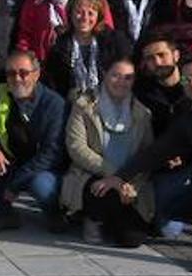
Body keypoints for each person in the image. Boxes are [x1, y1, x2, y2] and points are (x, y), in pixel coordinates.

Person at [92, 50, 192, 238]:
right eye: (186, 79)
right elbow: (157, 151)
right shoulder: (188, 113)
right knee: (163, 205)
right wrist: (120, 176)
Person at [60, 58, 154, 247]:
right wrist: (113, 175)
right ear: (105, 75)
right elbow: (76, 147)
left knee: (132, 240)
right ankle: (93, 219)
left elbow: (147, 154)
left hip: (129, 181)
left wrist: (129, 182)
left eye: (128, 78)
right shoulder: (84, 106)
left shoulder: (143, 114)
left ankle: (111, 220)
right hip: (93, 175)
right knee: (102, 189)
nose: (121, 82)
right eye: (115, 75)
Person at [0, 50, 68, 232]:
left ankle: (55, 213)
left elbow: (52, 153)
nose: (17, 78)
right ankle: (2, 213)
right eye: (10, 73)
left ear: (36, 74)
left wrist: (15, 185)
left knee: (41, 185)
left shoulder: (55, 104)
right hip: (11, 161)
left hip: (42, 167)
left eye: (23, 73)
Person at [44, 0, 132, 101]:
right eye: (79, 12)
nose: (84, 18)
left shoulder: (114, 42)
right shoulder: (59, 48)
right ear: (70, 14)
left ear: (98, 17)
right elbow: (53, 86)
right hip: (73, 108)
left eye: (90, 13)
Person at [134, 31, 188, 138]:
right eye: (150, 58)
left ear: (176, 56)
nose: (157, 62)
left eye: (161, 55)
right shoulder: (142, 94)